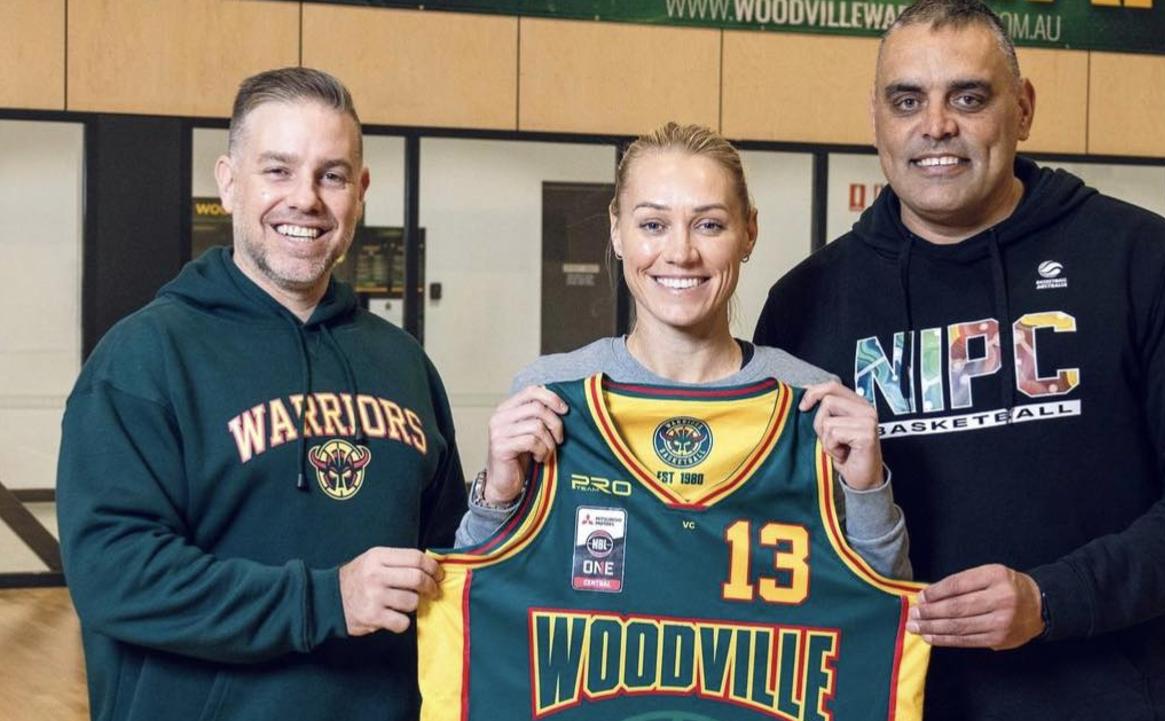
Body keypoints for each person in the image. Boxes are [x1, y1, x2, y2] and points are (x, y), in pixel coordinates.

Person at [753, 2, 1165, 720]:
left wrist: (1053, 599)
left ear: (1022, 108)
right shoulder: (807, 302)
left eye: (969, 97)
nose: (936, 125)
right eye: (909, 100)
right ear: (876, 117)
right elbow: (767, 527)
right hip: (887, 704)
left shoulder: (1136, 260)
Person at [57, 67, 467, 721]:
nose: (305, 199)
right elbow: (115, 574)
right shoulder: (143, 361)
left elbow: (447, 557)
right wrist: (327, 600)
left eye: (332, 175)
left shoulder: (403, 364)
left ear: (360, 192)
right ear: (228, 182)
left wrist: (502, 497)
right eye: (278, 170)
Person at [454, 122, 910, 582]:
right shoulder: (550, 394)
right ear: (617, 232)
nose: (680, 252)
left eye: (709, 225)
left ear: (748, 232)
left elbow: (883, 616)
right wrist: (497, 494)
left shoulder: (812, 402)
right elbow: (479, 600)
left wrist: (868, 489)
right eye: (653, 224)